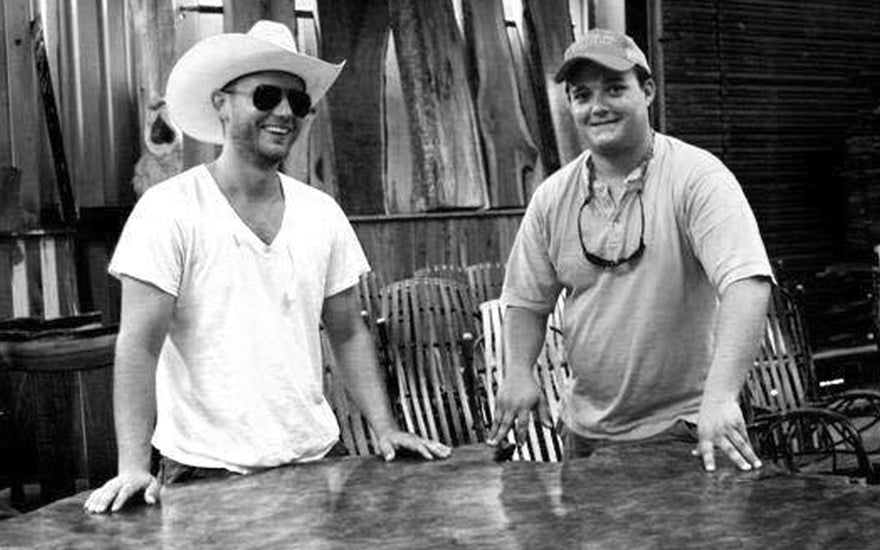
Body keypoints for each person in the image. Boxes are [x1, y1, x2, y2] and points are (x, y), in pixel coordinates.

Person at [85, 20, 450, 514]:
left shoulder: (321, 213)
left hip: (315, 460)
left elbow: (347, 331)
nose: (283, 112)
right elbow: (139, 344)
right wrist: (132, 466)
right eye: (265, 96)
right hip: (206, 473)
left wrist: (384, 428)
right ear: (222, 103)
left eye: (296, 101)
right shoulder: (169, 210)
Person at [487, 29, 772, 472]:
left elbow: (746, 283)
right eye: (582, 95)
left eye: (614, 89)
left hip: (687, 429)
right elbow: (526, 300)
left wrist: (721, 397)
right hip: (584, 433)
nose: (597, 106)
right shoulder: (552, 198)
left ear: (648, 91)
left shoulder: (698, 178)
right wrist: (519, 371)